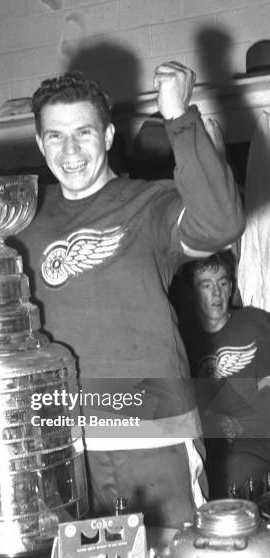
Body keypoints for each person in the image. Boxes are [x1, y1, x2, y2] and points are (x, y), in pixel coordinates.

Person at [13, 62, 245, 528]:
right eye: (55, 136)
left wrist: (178, 117)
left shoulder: (149, 203)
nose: (70, 149)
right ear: (40, 144)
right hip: (66, 441)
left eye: (84, 132)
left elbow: (221, 223)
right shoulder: (22, 219)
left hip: (153, 433)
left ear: (110, 135)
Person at [181, 251, 270, 499]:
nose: (217, 293)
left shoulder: (255, 324)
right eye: (206, 285)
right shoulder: (182, 338)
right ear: (192, 292)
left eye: (222, 283)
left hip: (257, 442)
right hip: (207, 446)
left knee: (227, 479)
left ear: (231, 286)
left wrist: (241, 423)